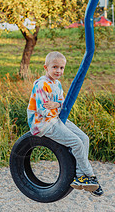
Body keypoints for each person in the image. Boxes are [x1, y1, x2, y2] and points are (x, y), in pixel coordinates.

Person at [27, 51, 103, 197]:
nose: (58, 71)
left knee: (84, 139)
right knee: (76, 143)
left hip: (56, 117)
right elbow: (43, 110)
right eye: (55, 67)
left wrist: (55, 104)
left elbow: (62, 104)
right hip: (43, 123)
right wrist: (57, 106)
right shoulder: (41, 85)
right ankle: (90, 175)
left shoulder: (57, 84)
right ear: (46, 67)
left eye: (61, 68)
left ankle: (80, 176)